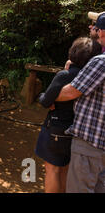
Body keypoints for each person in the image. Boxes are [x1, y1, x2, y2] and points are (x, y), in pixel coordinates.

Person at [35, 37, 102, 193]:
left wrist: (43, 96)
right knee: (65, 170)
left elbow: (45, 101)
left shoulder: (65, 75)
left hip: (56, 128)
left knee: (52, 170)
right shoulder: (92, 78)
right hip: (74, 131)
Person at [55, 12, 105, 193]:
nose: (92, 29)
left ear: (102, 33)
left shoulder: (100, 62)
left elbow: (70, 92)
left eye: (95, 27)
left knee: (79, 187)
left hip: (90, 142)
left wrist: (48, 96)